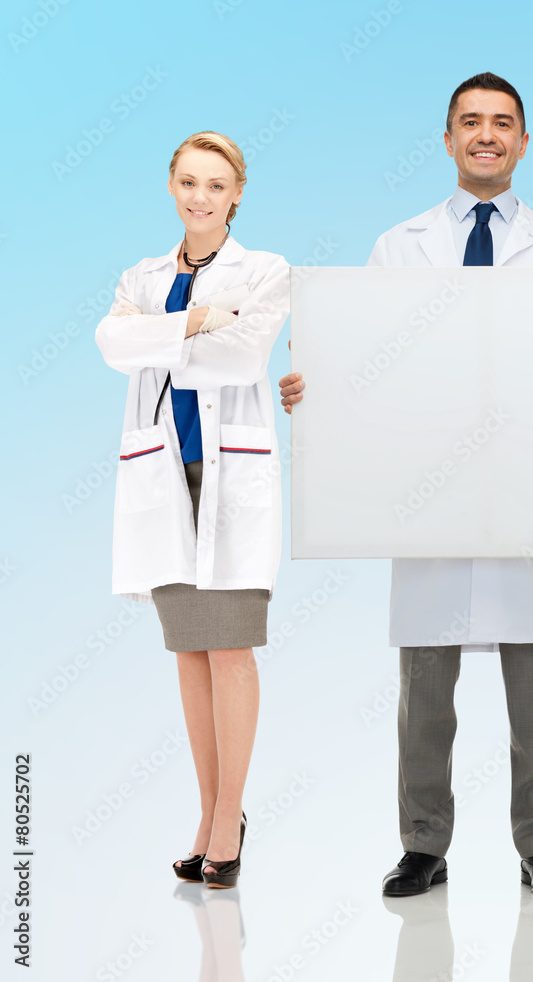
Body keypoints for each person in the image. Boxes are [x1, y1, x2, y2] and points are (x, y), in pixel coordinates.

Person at [279, 73, 533, 898]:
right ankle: (423, 845)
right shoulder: (399, 248)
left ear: (524, 142)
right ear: (447, 140)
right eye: (471, 122)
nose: (486, 135)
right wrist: (311, 386)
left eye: (502, 123)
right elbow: (361, 361)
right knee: (424, 696)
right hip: (428, 497)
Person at [96, 131, 290, 888]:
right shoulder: (142, 276)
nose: (200, 197)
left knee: (231, 649)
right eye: (188, 182)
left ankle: (231, 816)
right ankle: (211, 814)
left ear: (237, 193)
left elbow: (244, 358)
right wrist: (201, 321)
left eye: (215, 184)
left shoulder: (265, 271)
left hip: (228, 478)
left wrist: (160, 339)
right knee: (189, 651)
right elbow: (112, 344)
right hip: (162, 480)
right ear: (171, 187)